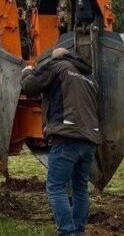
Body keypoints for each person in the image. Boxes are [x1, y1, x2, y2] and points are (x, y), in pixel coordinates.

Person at [21, 47, 99, 236]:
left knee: (56, 187)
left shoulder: (57, 66)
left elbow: (30, 87)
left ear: (56, 57)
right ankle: (78, 231)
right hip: (89, 139)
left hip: (66, 137)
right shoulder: (89, 77)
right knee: (80, 187)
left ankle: (66, 232)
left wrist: (27, 72)